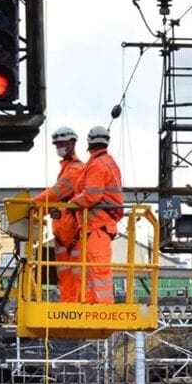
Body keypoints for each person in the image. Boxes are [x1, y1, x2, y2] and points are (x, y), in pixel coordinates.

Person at [66, 125, 123, 304]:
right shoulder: (107, 162)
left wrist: (72, 204)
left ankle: (102, 308)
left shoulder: (98, 165)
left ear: (89, 144)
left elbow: (92, 195)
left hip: (98, 226)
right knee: (91, 270)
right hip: (97, 227)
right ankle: (91, 305)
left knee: (98, 270)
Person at [34, 126, 85, 302]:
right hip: (63, 233)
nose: (59, 147)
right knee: (65, 276)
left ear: (72, 143)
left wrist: (34, 206)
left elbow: (58, 191)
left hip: (73, 233)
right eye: (57, 144)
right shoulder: (67, 168)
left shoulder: (76, 169)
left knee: (76, 275)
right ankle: (68, 306)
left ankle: (76, 307)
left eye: (62, 143)